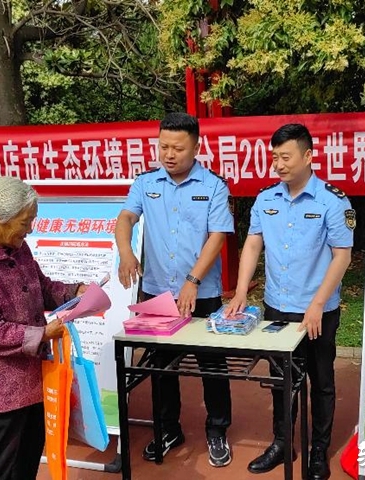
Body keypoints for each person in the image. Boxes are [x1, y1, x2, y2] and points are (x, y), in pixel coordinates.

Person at [224, 123, 354, 480]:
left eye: (286, 157)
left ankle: (318, 451)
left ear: (308, 156)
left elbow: (342, 256)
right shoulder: (267, 199)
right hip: (277, 308)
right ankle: (282, 442)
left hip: (318, 311)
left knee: (321, 381)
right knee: (282, 379)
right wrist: (240, 290)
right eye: (275, 158)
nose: (279, 165)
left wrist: (317, 303)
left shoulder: (332, 200)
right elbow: (253, 243)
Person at [0, 176, 88, 480]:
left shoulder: (18, 248)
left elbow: (41, 287)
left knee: (25, 464)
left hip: (32, 381)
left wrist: (74, 292)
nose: (30, 229)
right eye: (25, 222)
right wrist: (41, 334)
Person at [115, 112, 234, 468]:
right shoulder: (146, 183)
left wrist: (192, 280)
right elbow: (126, 218)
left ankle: (217, 430)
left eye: (178, 148)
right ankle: (168, 428)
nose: (169, 154)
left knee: (212, 365)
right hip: (157, 291)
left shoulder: (213, 186)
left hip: (202, 293)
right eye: (163, 146)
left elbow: (217, 236)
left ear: (196, 148)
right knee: (161, 366)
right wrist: (126, 252)